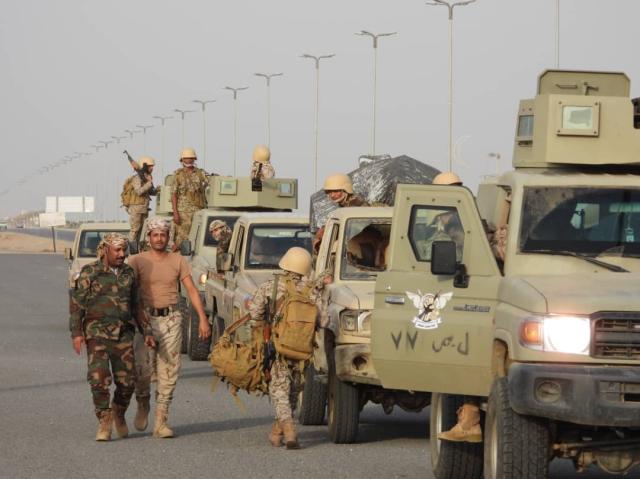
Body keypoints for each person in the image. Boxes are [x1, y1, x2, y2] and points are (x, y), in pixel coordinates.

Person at [128, 217, 211, 438]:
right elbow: (124, 289)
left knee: (169, 370)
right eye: (155, 235)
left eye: (163, 235)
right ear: (148, 237)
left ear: (168, 237)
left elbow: (191, 290)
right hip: (144, 320)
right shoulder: (136, 261)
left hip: (171, 319)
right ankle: (143, 402)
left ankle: (161, 421)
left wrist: (203, 318)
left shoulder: (177, 260)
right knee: (141, 370)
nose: (159, 239)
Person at [69, 233, 155, 441]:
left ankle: (118, 411)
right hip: (96, 333)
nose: (121, 254)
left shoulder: (128, 273)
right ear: (105, 250)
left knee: (127, 382)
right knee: (98, 379)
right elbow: (77, 305)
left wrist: (147, 331)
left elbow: (137, 305)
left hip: (123, 334)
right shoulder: (90, 272)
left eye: (124, 250)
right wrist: (77, 333)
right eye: (117, 250)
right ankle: (104, 419)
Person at [248, 247, 320, 450]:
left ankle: (289, 432)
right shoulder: (312, 291)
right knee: (293, 391)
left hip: (278, 346)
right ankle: (276, 433)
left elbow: (255, 315)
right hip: (303, 349)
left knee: (279, 390)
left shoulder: (271, 286)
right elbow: (323, 320)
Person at [430, 171, 482, 443]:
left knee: (467, 358)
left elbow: (467, 257)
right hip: (461, 289)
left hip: (470, 291)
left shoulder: (461, 221)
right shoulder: (459, 217)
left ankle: (470, 420)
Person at [313, 173, 371, 255]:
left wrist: (326, 231)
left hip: (363, 248)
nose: (332, 195)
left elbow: (355, 229)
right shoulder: (344, 207)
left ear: (346, 190)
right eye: (329, 192)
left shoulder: (357, 206)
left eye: (336, 191)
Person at [171, 148, 208, 251]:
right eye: (186, 158)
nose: (189, 160)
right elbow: (174, 194)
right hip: (183, 211)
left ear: (194, 159)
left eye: (191, 158)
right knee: (182, 237)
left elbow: (211, 183)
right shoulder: (178, 175)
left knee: (197, 236)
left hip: (198, 209)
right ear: (182, 160)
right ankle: (177, 256)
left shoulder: (201, 173)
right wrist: (175, 213)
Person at [127, 156, 158, 242]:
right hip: (136, 209)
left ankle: (139, 248)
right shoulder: (137, 178)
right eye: (150, 166)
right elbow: (139, 191)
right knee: (135, 230)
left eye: (152, 166)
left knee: (143, 231)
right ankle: (131, 248)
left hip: (144, 208)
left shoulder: (147, 177)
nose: (152, 168)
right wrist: (149, 183)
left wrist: (157, 190)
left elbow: (150, 192)